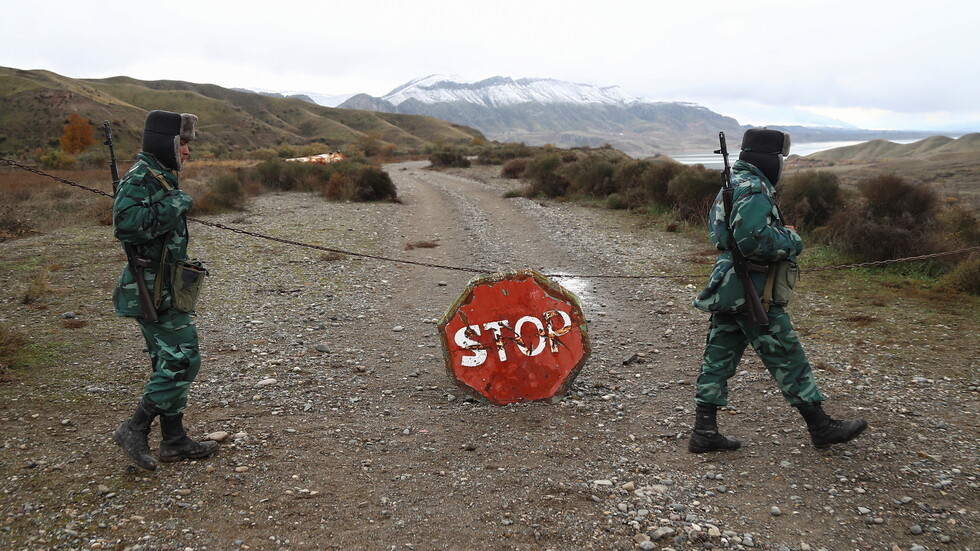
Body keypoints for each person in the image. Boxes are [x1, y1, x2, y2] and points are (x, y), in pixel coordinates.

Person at [688, 128, 867, 453]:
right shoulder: (755, 188)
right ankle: (821, 426)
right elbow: (754, 240)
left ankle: (704, 431)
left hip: (729, 285)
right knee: (786, 354)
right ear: (769, 160)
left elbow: (721, 235)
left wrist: (772, 233)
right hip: (754, 287)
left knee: (718, 356)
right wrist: (790, 238)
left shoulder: (732, 185)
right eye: (780, 159)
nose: (781, 165)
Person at [111, 110, 218, 470]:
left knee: (166, 362)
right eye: (183, 143)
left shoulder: (161, 176)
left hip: (167, 287)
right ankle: (134, 427)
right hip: (151, 289)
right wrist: (179, 202)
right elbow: (126, 226)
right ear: (166, 143)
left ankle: (174, 440)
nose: (187, 151)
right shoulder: (141, 178)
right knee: (182, 359)